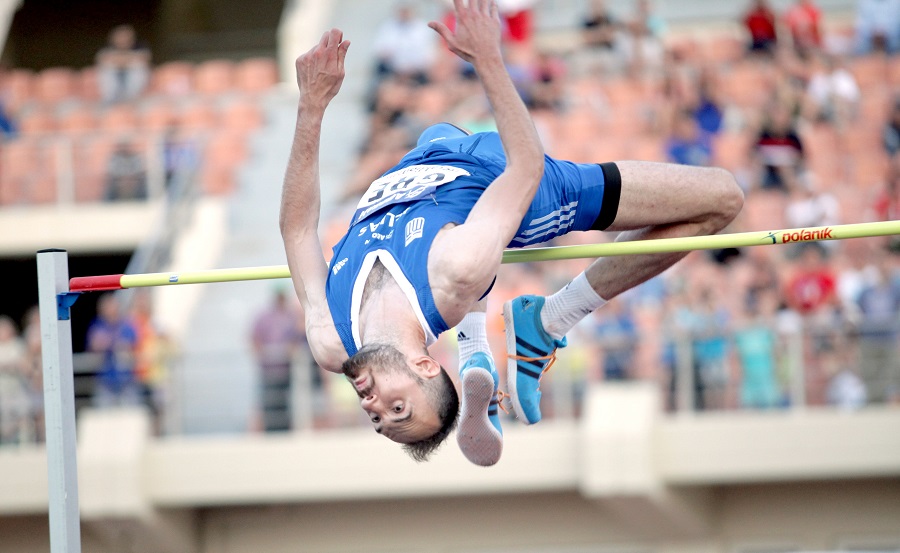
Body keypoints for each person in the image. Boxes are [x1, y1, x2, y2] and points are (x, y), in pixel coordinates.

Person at [280, 0, 742, 464]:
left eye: (378, 420)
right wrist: (489, 61)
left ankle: (475, 342)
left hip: (431, 156)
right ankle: (551, 319)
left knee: (459, 227)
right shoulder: (452, 271)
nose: (373, 408)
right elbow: (525, 166)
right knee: (723, 198)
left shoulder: (330, 336)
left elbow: (297, 229)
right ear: (424, 365)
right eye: (396, 408)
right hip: (514, 182)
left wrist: (311, 107)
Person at [96, 24, 151, 104]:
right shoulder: (106, 48)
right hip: (114, 76)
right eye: (120, 37)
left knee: (139, 68)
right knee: (106, 69)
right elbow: (102, 59)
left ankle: (132, 98)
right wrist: (128, 60)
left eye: (126, 37)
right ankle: (110, 99)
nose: (123, 40)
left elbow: (144, 58)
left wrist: (119, 60)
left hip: (132, 77)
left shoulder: (140, 46)